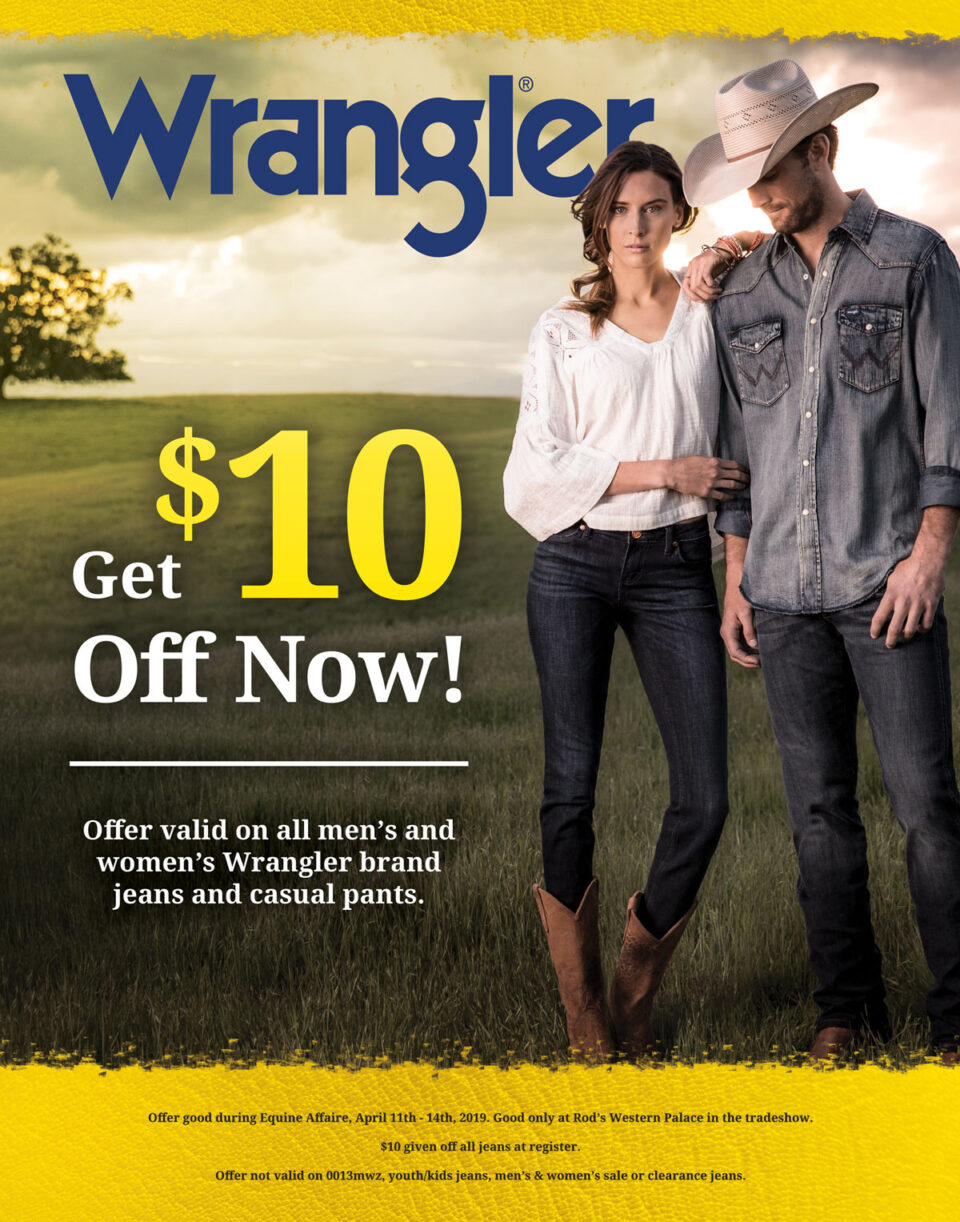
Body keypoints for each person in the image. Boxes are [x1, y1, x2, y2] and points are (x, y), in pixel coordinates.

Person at [683, 58, 960, 1063]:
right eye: (747, 171)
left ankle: (955, 1021)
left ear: (824, 148)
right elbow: (738, 456)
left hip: (889, 583)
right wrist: (734, 579)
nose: (757, 188)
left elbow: (950, 426)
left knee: (928, 811)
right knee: (817, 815)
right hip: (784, 594)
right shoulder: (739, 292)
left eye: (773, 165)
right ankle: (845, 1012)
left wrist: (929, 553)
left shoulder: (914, 261)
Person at [503, 141, 749, 1059]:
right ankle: (583, 1017)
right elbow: (542, 465)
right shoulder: (563, 329)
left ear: (680, 217)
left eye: (656, 208)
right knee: (570, 788)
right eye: (621, 209)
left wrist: (724, 259)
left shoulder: (708, 313)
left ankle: (634, 989)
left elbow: (735, 434)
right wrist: (667, 470)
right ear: (598, 221)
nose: (637, 226)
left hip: (678, 567)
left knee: (708, 798)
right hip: (572, 565)